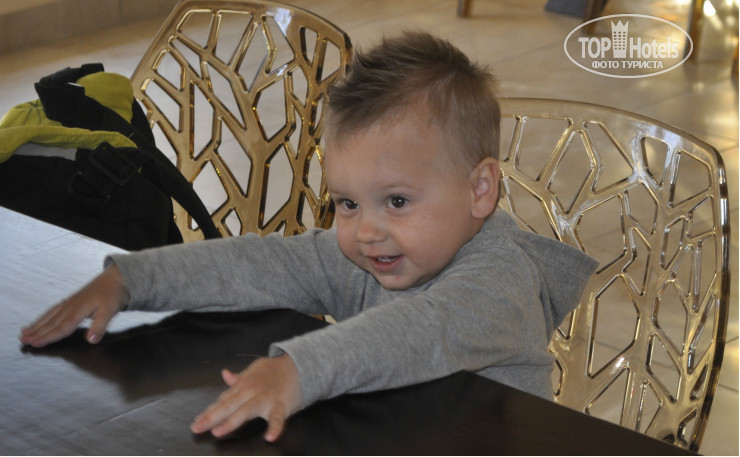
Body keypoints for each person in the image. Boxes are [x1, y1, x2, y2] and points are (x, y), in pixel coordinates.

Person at [20, 31, 598, 442]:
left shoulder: (498, 283)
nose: (366, 230)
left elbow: (420, 331)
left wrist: (300, 369)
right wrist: (132, 279)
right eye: (347, 202)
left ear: (480, 190)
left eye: (397, 201)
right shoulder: (374, 253)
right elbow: (264, 264)